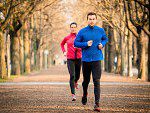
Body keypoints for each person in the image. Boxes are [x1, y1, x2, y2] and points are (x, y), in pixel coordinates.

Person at [74, 12, 108, 112]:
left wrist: (102, 44)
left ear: (96, 20)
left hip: (97, 59)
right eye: (90, 19)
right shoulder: (82, 31)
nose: (91, 20)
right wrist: (85, 44)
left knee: (97, 81)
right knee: (86, 81)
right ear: (87, 20)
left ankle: (97, 104)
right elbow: (76, 43)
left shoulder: (100, 30)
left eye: (93, 19)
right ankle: (84, 94)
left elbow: (105, 39)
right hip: (86, 60)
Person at [60, 22, 82, 101]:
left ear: (76, 28)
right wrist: (64, 51)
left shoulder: (80, 37)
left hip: (79, 58)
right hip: (70, 59)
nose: (73, 28)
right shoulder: (67, 37)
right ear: (70, 28)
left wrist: (80, 48)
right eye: (72, 27)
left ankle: (76, 81)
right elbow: (62, 44)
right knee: (72, 75)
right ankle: (73, 94)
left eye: (74, 27)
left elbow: (83, 45)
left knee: (78, 75)